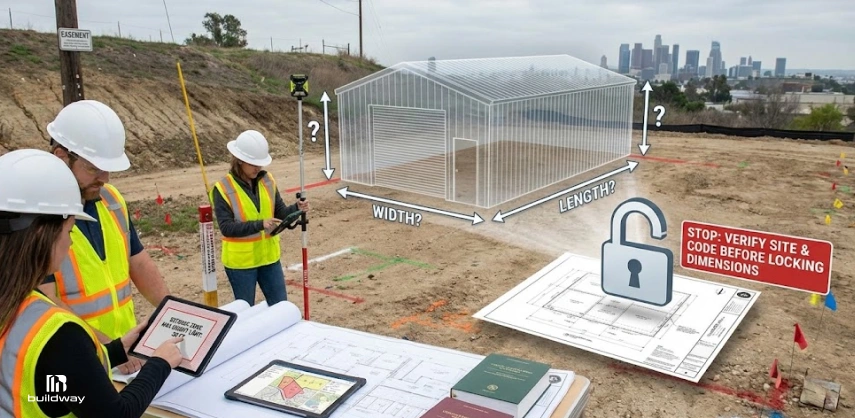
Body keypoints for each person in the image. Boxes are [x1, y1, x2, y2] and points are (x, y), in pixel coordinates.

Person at [0, 149, 184, 418]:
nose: (70, 242)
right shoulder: (57, 331)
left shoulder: (15, 305)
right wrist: (160, 363)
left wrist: (116, 350)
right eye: (69, 231)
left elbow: (54, 375)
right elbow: (115, 414)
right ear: (42, 235)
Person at [37, 100, 171, 375]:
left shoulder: (111, 200)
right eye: (94, 168)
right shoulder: (38, 218)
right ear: (62, 156)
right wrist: (108, 348)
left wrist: (174, 311)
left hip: (125, 352)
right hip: (76, 357)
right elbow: (45, 302)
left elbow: (139, 262)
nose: (105, 178)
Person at [209, 130, 310, 306]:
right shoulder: (223, 188)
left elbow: (279, 212)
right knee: (245, 310)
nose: (258, 168)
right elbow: (226, 228)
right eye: (253, 163)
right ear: (239, 160)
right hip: (241, 263)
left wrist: (296, 208)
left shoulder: (267, 180)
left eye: (260, 163)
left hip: (269, 259)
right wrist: (259, 224)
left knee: (280, 306)